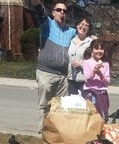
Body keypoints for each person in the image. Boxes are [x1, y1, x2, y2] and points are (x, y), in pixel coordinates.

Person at [31, 0, 76, 133]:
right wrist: (37, 4)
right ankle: (43, 131)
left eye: (64, 11)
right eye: (59, 10)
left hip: (62, 76)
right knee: (44, 105)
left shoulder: (70, 31)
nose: (62, 13)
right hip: (46, 73)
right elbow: (41, 14)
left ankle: (54, 132)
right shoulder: (47, 25)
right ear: (53, 13)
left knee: (58, 106)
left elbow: (83, 32)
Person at [82, 39, 110, 123]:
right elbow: (87, 79)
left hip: (102, 93)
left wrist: (100, 74)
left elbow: (107, 82)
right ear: (92, 50)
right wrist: (94, 71)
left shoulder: (106, 64)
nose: (99, 51)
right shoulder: (86, 63)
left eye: (101, 49)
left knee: (102, 115)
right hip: (90, 93)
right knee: (91, 116)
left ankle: (101, 133)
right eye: (96, 48)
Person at [68, 17, 95, 95]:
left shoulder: (91, 43)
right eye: (82, 24)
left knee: (83, 105)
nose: (83, 27)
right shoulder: (71, 40)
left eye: (86, 25)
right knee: (72, 105)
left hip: (84, 80)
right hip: (71, 79)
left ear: (89, 29)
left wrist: (81, 64)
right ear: (77, 25)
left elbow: (94, 62)